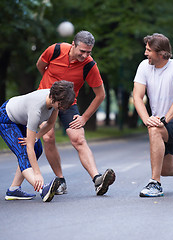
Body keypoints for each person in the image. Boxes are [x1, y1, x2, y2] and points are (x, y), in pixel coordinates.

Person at [36, 30, 115, 196]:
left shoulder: (89, 65)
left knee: (78, 139)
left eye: (89, 52)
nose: (85, 55)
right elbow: (40, 65)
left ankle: (97, 180)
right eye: (82, 51)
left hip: (68, 104)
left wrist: (84, 117)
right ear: (73, 45)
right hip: (46, 100)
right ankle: (60, 181)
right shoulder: (55, 50)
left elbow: (101, 95)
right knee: (48, 137)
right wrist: (49, 85)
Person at [133, 33, 173, 197]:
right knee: (166, 169)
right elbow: (137, 97)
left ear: (161, 53)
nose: (145, 53)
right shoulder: (144, 67)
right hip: (160, 122)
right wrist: (147, 119)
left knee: (154, 130)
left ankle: (155, 183)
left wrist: (164, 120)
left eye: (149, 50)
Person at [0, 80, 75, 202]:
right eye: (61, 105)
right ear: (54, 98)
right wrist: (37, 173)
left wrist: (37, 136)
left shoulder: (55, 103)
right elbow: (29, 147)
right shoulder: (36, 108)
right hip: (6, 119)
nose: (63, 108)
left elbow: (50, 123)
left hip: (20, 120)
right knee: (24, 152)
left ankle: (13, 190)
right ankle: (43, 190)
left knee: (38, 149)